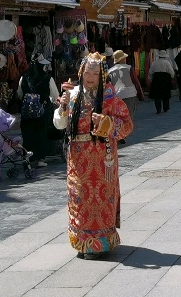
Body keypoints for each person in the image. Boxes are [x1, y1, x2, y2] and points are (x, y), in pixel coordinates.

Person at [52, 53, 133, 259]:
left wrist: (106, 123)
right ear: (81, 73)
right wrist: (61, 107)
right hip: (77, 159)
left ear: (102, 75)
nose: (90, 77)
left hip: (102, 157)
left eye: (95, 74)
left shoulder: (110, 99)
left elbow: (127, 127)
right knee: (79, 198)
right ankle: (82, 241)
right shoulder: (72, 95)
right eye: (87, 72)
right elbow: (60, 125)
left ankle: (100, 243)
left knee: (102, 198)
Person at [16, 54, 59, 168]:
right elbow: (55, 96)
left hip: (27, 111)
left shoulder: (24, 77)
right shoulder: (47, 78)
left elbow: (20, 94)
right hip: (43, 111)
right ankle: (40, 158)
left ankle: (28, 157)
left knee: (28, 133)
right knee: (42, 133)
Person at [106, 50, 141, 145]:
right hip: (130, 93)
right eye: (124, 58)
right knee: (128, 115)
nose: (126, 59)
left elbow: (108, 85)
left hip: (117, 95)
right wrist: (140, 94)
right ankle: (124, 134)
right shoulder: (129, 68)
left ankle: (119, 133)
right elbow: (136, 82)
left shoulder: (110, 71)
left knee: (118, 115)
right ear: (121, 59)